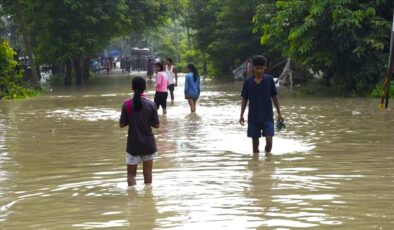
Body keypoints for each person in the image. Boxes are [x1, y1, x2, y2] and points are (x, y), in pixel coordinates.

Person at [119, 77, 160, 186]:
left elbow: (121, 124)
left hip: (133, 145)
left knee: (131, 175)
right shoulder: (151, 104)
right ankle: (148, 199)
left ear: (132, 88)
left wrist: (132, 119)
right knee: (148, 173)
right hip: (148, 145)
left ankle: (132, 199)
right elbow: (157, 125)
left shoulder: (127, 104)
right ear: (145, 88)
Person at [239, 55, 283, 155]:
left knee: (269, 140)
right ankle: (256, 167)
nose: (259, 70)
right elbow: (244, 100)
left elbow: (275, 97)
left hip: (268, 117)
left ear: (264, 68)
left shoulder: (269, 80)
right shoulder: (248, 82)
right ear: (253, 67)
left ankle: (268, 160)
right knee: (255, 145)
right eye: (257, 68)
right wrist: (241, 115)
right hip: (253, 118)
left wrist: (279, 113)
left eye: (261, 68)